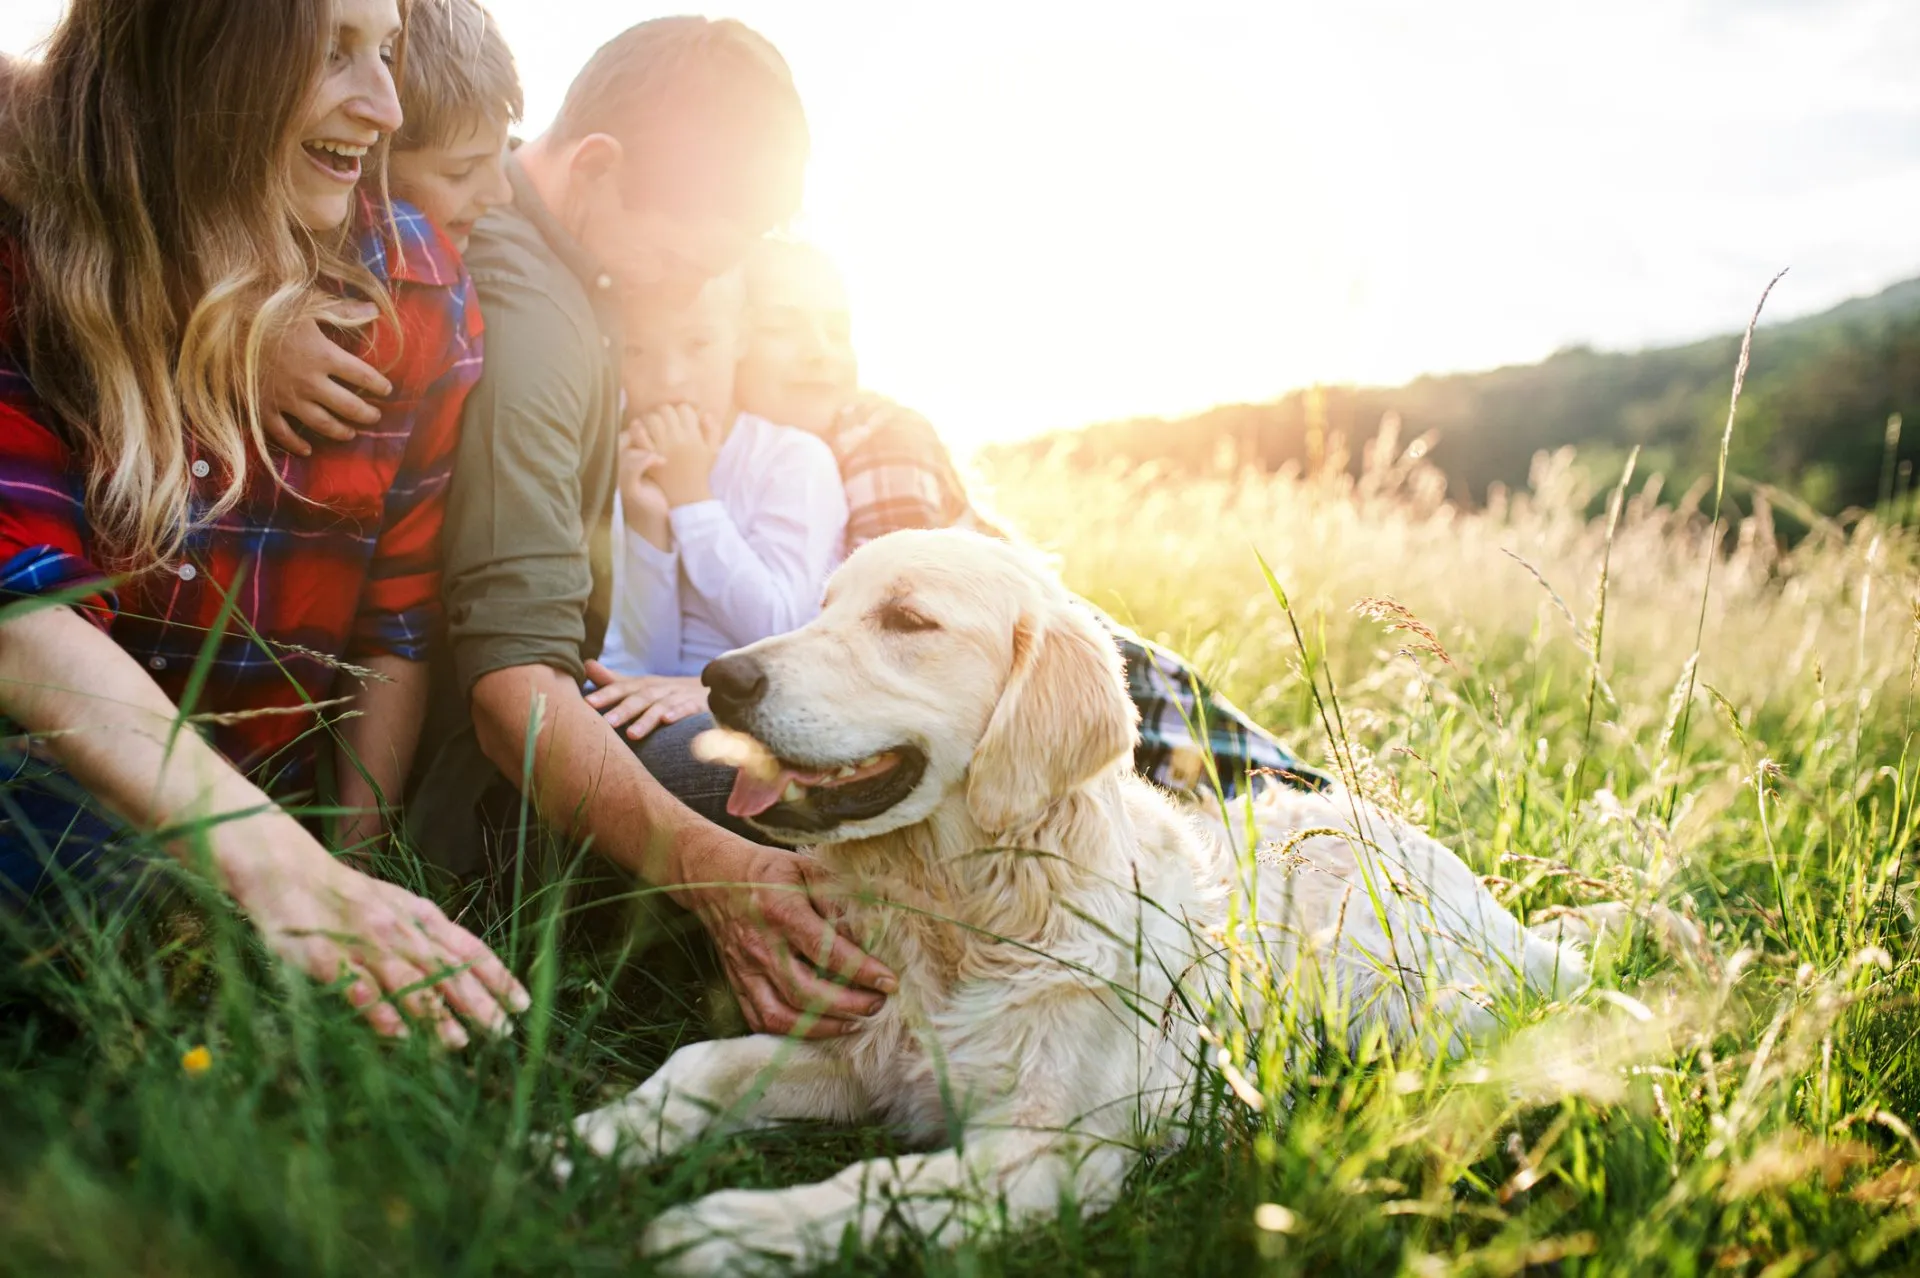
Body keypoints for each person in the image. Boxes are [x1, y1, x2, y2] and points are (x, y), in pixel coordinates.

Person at [0, 0, 527, 1045]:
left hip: (258, 813)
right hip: (51, 785)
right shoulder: (33, 240)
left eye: (386, 51)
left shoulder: (413, 281)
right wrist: (284, 871)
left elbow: (396, 621)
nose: (385, 105)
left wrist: (348, 877)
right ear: (197, 50)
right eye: (332, 52)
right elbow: (23, 603)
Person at [407, 18, 897, 1041]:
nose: (679, 300)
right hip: (485, 801)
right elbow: (509, 695)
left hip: (591, 704)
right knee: (792, 785)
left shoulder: (587, 269)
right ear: (595, 166)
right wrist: (722, 877)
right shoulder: (533, 319)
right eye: (678, 264)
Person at [736, 239, 1333, 799]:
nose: (818, 350)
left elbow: (891, 618)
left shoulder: (876, 437)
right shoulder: (747, 465)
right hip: (1028, 697)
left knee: (1273, 824)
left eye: (835, 329)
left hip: (1085, 695)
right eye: (783, 327)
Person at [586, 267, 847, 742]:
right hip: (670, 705)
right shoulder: (625, 460)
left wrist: (691, 499)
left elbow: (778, 625)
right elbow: (653, 660)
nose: (669, 378)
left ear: (739, 339)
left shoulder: (793, 459)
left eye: (698, 345)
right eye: (637, 351)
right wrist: (650, 522)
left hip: (774, 708)